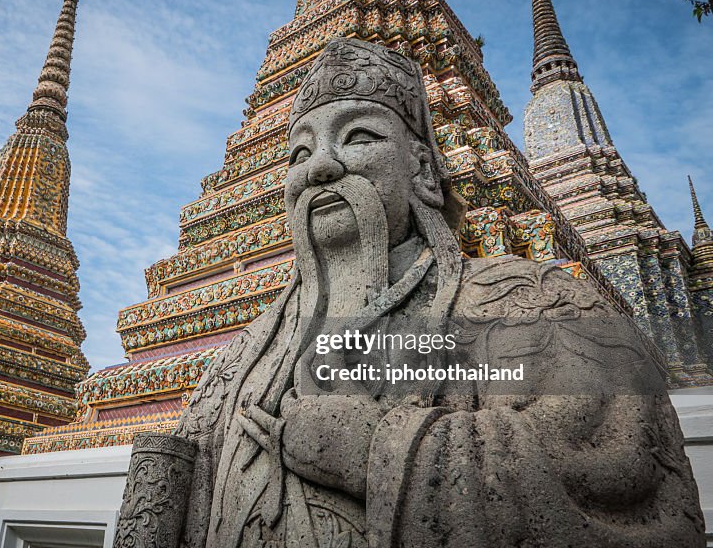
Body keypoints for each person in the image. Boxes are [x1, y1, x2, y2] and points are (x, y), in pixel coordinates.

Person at [117, 38, 705, 548]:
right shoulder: (239, 361)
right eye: (299, 152)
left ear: (423, 169)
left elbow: (622, 462)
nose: (320, 166)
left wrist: (371, 448)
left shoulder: (529, 303)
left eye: (358, 137)